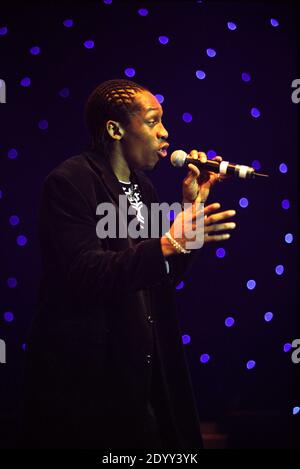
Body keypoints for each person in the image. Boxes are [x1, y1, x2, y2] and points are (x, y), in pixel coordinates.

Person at [21, 79, 236, 449]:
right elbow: (84, 270)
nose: (165, 133)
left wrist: (190, 209)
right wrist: (168, 242)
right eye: (153, 121)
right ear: (115, 129)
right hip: (92, 381)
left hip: (144, 376)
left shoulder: (144, 188)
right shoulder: (70, 181)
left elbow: (163, 275)